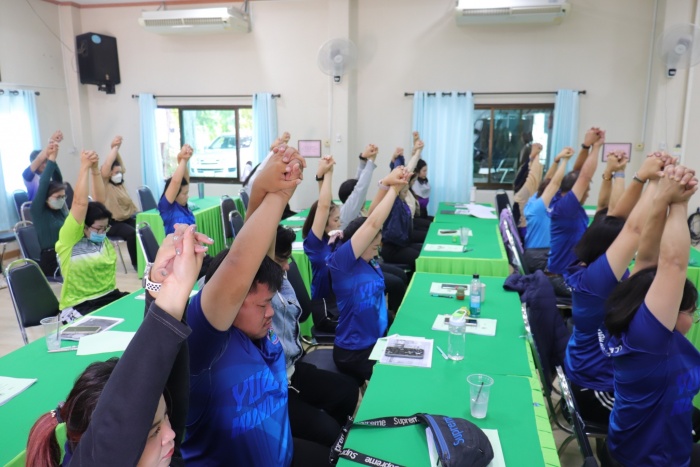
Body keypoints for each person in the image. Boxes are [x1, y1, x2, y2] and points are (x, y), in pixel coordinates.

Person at [182, 145, 331, 466]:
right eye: (264, 305)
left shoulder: (259, 331)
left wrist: (270, 190)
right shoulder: (205, 347)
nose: (271, 312)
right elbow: (239, 264)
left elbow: (256, 258)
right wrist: (276, 195)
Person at [25, 224, 210, 467]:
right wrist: (173, 294)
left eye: (165, 419)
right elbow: (126, 409)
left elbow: (162, 378)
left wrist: (160, 288)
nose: (171, 433)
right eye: (154, 431)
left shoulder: (158, 457)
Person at [604, 163, 700, 466]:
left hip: (631, 446)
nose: (693, 320)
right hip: (654, 460)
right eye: (692, 312)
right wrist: (680, 204)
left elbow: (646, 258)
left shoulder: (630, 310)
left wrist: (663, 198)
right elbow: (673, 264)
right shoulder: (651, 340)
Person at [564, 153, 666, 425]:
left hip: (590, 374)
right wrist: (652, 181)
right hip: (595, 390)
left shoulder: (590, 264)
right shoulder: (596, 281)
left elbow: (616, 217)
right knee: (673, 416)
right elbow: (633, 230)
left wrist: (632, 177)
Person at [271, 225, 359, 446]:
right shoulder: (250, 289)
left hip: (292, 370)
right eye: (282, 259)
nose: (287, 266)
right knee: (327, 431)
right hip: (272, 388)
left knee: (347, 391)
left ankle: (329, 444)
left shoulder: (280, 280)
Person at [328, 166, 409, 385]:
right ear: (360, 242)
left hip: (375, 340)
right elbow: (372, 224)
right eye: (373, 247)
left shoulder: (367, 259)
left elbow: (372, 217)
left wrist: (386, 184)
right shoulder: (342, 263)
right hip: (354, 352)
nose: (376, 252)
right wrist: (394, 189)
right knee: (395, 381)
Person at [56, 150, 128, 315]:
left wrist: (95, 169)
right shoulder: (71, 240)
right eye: (98, 229)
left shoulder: (100, 235)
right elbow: (80, 203)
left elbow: (99, 201)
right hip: (80, 304)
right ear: (84, 227)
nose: (102, 232)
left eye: (105, 228)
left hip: (109, 296)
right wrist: (84, 167)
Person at [547, 128, 605, 277]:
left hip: (566, 270)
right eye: (586, 191)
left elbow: (578, 173)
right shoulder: (566, 208)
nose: (588, 194)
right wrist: (596, 147)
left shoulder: (562, 196)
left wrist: (586, 146)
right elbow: (584, 177)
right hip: (563, 275)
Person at [302, 155, 339, 300]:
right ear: (323, 223)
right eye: (336, 220)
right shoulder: (314, 244)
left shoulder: (332, 238)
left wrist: (321, 177)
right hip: (325, 305)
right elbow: (324, 206)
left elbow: (326, 205)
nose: (339, 223)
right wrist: (329, 173)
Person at [522, 146, 573, 249]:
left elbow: (548, 179)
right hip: (539, 254)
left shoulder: (534, 199)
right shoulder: (539, 207)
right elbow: (554, 184)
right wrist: (565, 160)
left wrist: (557, 160)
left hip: (534, 251)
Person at [101, 135, 139, 270]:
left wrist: (116, 147)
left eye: (119, 172)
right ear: (109, 174)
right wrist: (113, 148)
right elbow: (106, 167)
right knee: (132, 234)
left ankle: (148, 259)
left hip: (126, 219)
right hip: (112, 223)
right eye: (116, 172)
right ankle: (137, 264)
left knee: (144, 229)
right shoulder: (105, 184)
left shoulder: (119, 184)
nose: (119, 174)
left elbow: (120, 165)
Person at [30, 139, 67, 277]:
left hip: (66, 252)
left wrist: (54, 159)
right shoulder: (38, 211)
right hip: (52, 258)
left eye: (63, 197)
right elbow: (44, 183)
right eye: (58, 197)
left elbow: (58, 180)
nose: (62, 200)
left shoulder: (60, 210)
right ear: (46, 198)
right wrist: (51, 158)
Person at [158, 144, 194, 236]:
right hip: (174, 244)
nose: (187, 196)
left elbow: (185, 179)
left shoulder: (183, 206)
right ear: (175, 195)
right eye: (184, 194)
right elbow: (176, 182)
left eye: (187, 193)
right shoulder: (166, 207)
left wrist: (183, 160)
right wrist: (183, 159)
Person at [22, 130, 63, 201]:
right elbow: (39, 159)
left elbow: (58, 182)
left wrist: (53, 148)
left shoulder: (47, 175)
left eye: (46, 162)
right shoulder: (28, 177)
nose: (45, 165)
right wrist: (51, 141)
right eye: (42, 162)